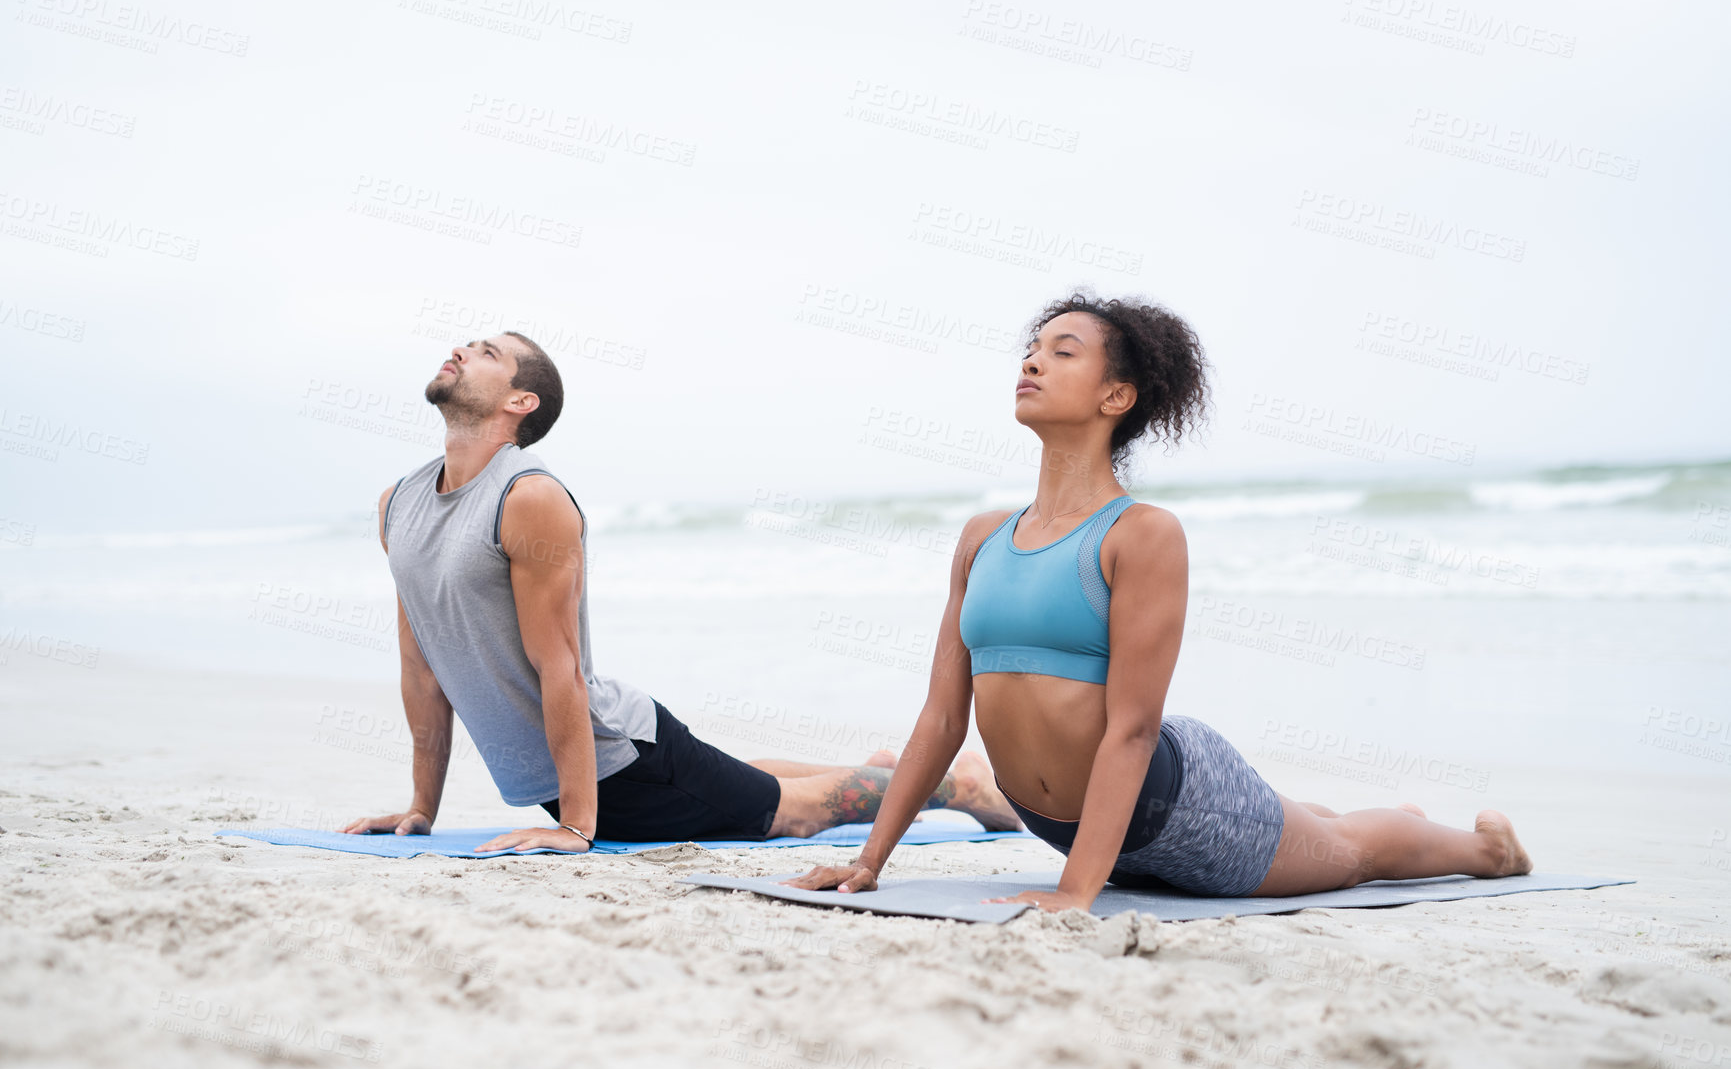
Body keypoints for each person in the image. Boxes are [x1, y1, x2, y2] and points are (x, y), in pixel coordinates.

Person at [788, 294, 1531, 910]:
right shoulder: (982, 536)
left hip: (1178, 806)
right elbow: (943, 717)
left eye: (1063, 350)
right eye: (1032, 347)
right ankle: (1351, 819)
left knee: (1345, 853)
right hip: (1063, 823)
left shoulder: (1141, 534)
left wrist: (1077, 891)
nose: (1032, 360)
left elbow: (1134, 730)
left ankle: (1486, 849)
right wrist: (869, 862)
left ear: (1116, 395)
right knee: (1306, 828)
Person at [341, 331, 1020, 852]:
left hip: (616, 765)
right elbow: (421, 667)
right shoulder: (397, 504)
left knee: (795, 811)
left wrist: (578, 825)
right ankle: (879, 765)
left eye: (485, 351)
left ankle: (959, 785)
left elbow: (561, 668)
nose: (459, 348)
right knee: (736, 781)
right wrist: (419, 808)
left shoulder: (529, 497)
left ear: (521, 403)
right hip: (592, 769)